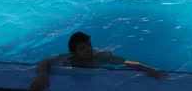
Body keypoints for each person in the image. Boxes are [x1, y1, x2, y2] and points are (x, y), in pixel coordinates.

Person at [30, 32, 164, 91]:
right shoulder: (67, 58)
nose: (89, 49)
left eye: (89, 44)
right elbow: (44, 62)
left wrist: (146, 68)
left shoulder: (101, 56)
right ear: (73, 52)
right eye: (83, 48)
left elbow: (126, 62)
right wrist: (43, 77)